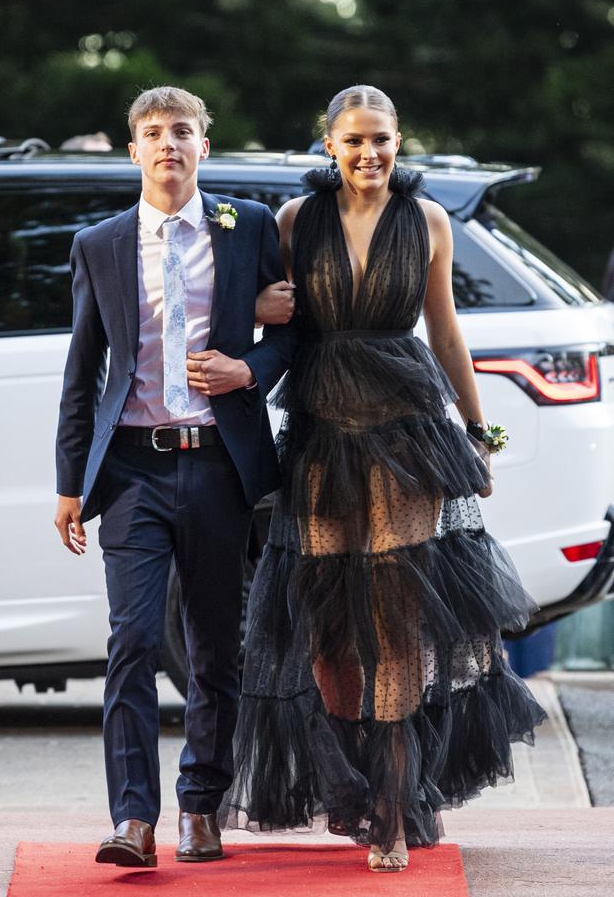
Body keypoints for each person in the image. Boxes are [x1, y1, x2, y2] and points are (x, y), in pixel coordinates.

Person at [221, 85, 546, 873]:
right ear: (328, 144)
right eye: (354, 141)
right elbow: (277, 323)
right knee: (330, 627)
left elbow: (446, 331)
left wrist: (475, 433)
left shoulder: (428, 221)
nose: (370, 154)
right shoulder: (298, 222)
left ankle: (397, 811)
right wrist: (259, 310)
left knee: (398, 623)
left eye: (383, 140)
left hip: (407, 435)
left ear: (400, 142)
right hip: (324, 437)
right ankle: (355, 784)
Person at [54, 86, 295, 868]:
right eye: (153, 133)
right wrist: (68, 481)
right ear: (134, 151)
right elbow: (83, 370)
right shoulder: (99, 243)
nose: (169, 144)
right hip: (130, 471)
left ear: (203, 145)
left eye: (182, 131)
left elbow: (294, 332)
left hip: (219, 465)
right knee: (130, 640)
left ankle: (201, 806)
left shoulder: (246, 227)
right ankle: (132, 819)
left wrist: (247, 368)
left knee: (215, 646)